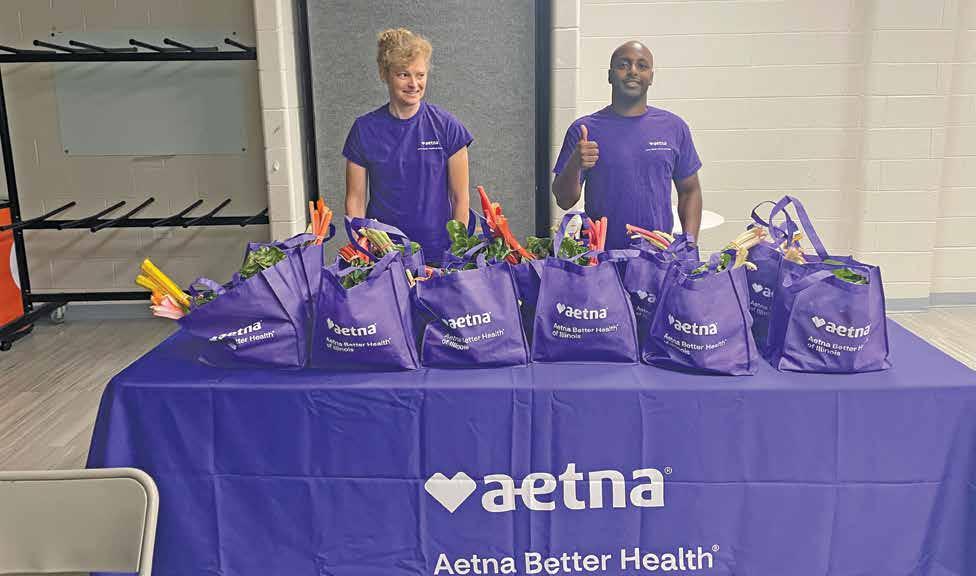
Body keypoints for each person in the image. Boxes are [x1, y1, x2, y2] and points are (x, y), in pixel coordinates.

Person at [552, 41, 703, 251]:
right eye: (623, 65)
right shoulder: (584, 130)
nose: (633, 71)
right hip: (601, 260)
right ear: (610, 75)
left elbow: (690, 191)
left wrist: (689, 245)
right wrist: (575, 163)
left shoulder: (674, 128)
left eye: (642, 66)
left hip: (658, 259)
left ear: (651, 77)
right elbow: (564, 200)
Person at [343, 28, 472, 261]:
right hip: (383, 255)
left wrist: (456, 251)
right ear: (384, 74)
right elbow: (355, 200)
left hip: (438, 254)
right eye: (404, 75)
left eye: (420, 75)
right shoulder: (364, 130)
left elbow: (460, 199)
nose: (414, 84)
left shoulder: (448, 128)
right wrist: (362, 249)